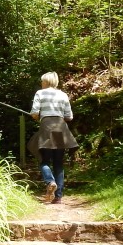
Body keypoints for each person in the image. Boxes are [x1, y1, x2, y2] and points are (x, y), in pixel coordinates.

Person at [27, 72, 77, 204]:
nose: (41, 83)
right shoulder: (63, 95)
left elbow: (34, 113)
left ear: (46, 82)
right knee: (58, 163)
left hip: (46, 128)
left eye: (42, 81)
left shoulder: (40, 93)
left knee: (44, 160)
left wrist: (38, 116)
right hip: (60, 128)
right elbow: (69, 116)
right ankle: (58, 197)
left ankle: (50, 181)